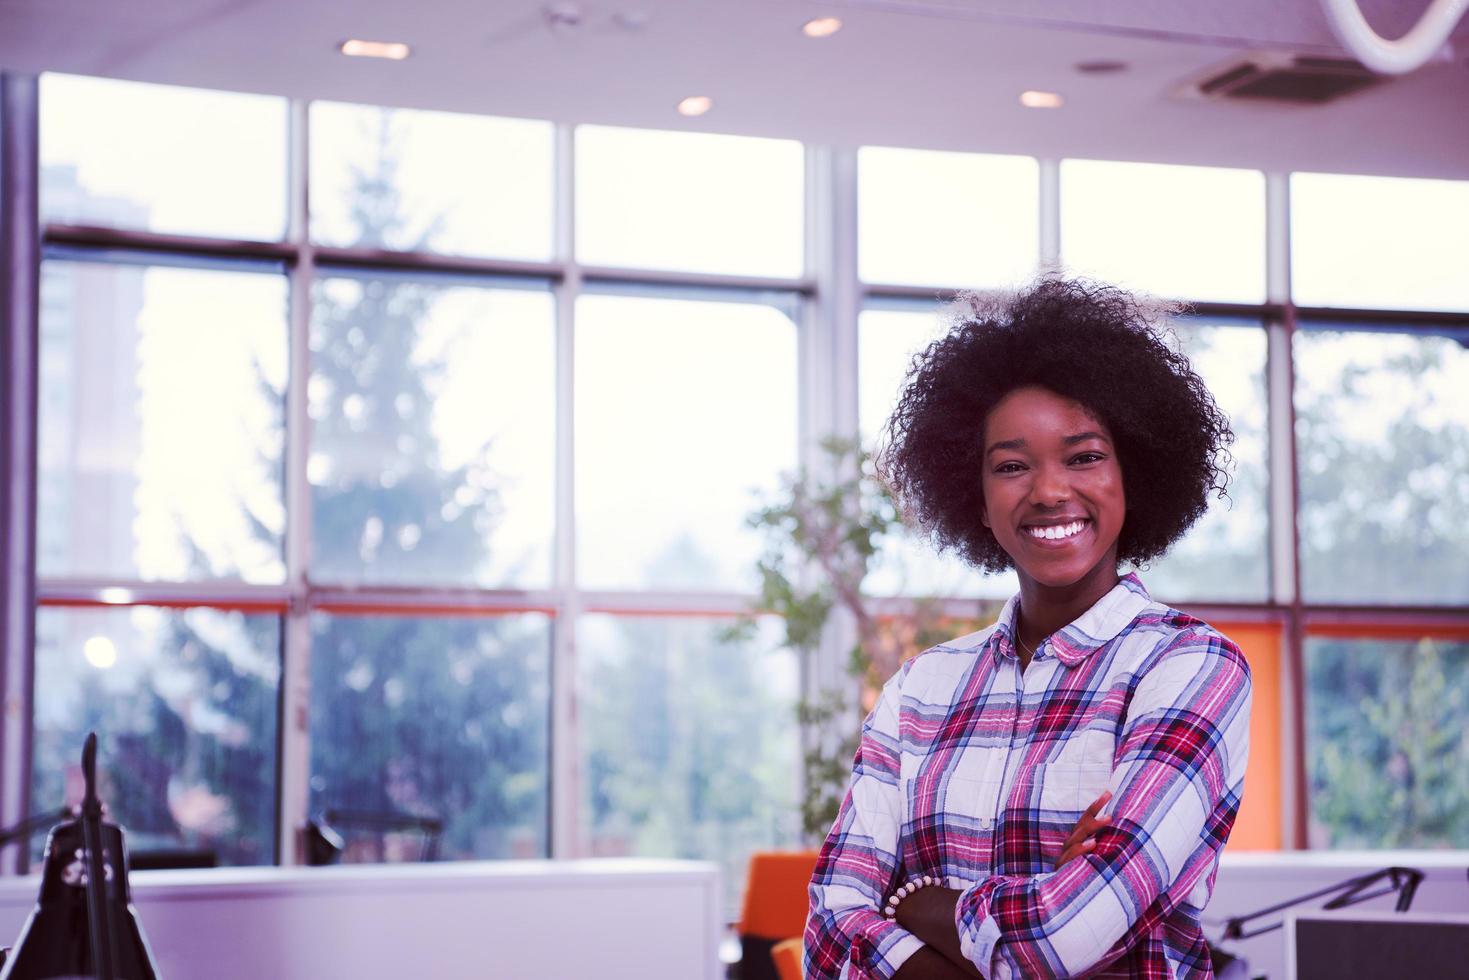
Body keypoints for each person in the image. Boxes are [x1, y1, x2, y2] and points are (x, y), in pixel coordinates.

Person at [804, 278, 1253, 979]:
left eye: (1083, 457)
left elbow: (1061, 937)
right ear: (975, 500)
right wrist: (1027, 922)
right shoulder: (922, 688)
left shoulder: (1191, 668)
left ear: (1129, 475)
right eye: (1011, 466)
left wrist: (919, 905)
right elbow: (828, 932)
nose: (1048, 490)